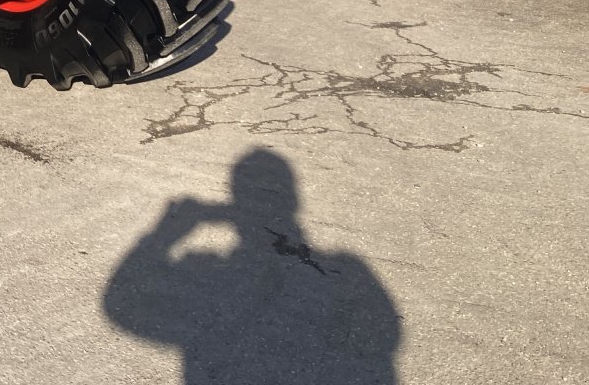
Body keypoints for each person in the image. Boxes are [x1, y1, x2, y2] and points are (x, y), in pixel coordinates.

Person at [104, 149, 401, 384]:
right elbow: (386, 332)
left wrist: (161, 236)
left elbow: (121, 306)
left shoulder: (347, 268)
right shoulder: (350, 266)